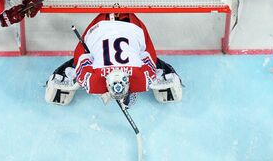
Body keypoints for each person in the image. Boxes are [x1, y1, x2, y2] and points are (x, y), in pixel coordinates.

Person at [44, 12, 182, 106]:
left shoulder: (143, 81)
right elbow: (82, 60)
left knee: (143, 53)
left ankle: (61, 74)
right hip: (104, 27)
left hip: (121, 26)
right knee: (82, 58)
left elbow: (146, 58)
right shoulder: (93, 84)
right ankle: (167, 72)